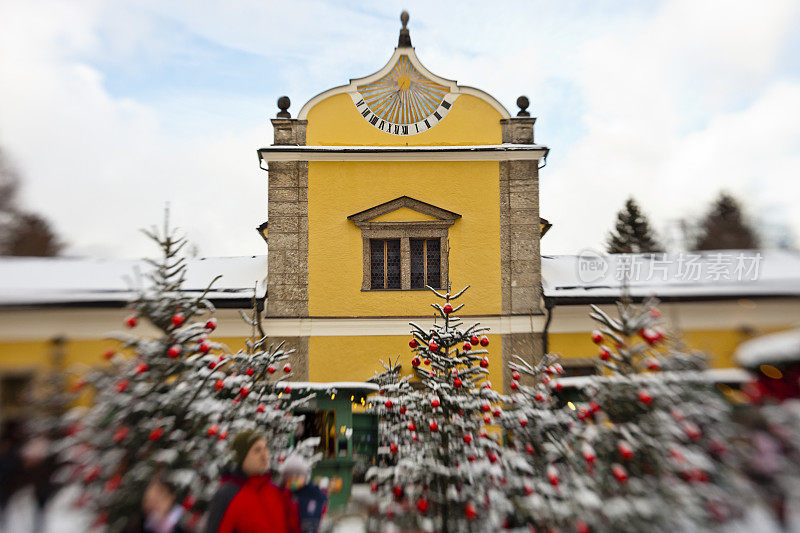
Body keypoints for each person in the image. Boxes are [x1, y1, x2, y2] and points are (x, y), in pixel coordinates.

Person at [205, 429, 300, 533]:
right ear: (242, 457)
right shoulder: (227, 495)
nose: (265, 456)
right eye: (257, 450)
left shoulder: (276, 492)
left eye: (265, 448)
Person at [279, 455, 327, 533]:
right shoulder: (283, 495)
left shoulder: (312, 494)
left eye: (297, 477)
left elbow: (320, 507)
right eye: (289, 478)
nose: (293, 480)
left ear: (305, 478)